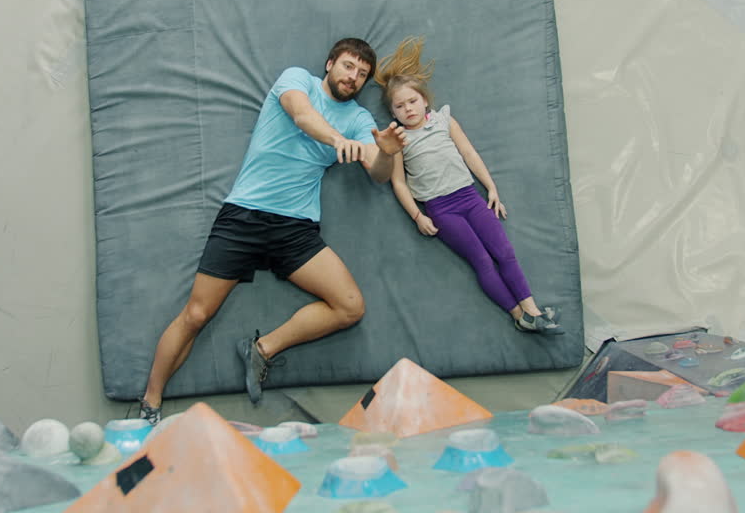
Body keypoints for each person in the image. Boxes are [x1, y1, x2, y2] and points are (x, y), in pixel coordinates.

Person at [138, 38, 407, 424]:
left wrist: (386, 154)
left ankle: (262, 349)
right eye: (349, 66)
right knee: (196, 315)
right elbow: (301, 115)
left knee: (350, 307)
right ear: (330, 63)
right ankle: (149, 403)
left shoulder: (360, 120)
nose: (354, 77)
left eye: (362, 74)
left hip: (294, 228)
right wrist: (338, 141)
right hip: (244, 216)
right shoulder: (297, 79)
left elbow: (378, 174)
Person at [374, 37, 563, 335]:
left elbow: (469, 153)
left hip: (470, 198)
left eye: (412, 101)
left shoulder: (444, 121)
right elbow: (398, 182)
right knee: (482, 260)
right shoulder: (398, 139)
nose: (408, 109)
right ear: (393, 113)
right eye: (400, 106)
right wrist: (417, 216)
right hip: (440, 209)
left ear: (425, 100)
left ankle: (532, 309)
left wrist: (491, 188)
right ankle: (518, 316)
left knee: (504, 252)